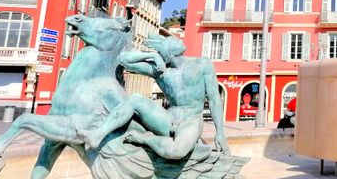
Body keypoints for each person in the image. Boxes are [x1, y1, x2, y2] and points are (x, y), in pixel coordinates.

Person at [85, 34, 229, 158]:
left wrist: (220, 133)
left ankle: (146, 139)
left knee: (176, 152)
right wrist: (152, 55)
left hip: (191, 120)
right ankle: (97, 135)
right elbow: (124, 59)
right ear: (167, 50)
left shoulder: (202, 64)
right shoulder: (160, 71)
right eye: (172, 40)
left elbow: (214, 99)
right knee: (135, 98)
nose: (179, 40)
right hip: (168, 119)